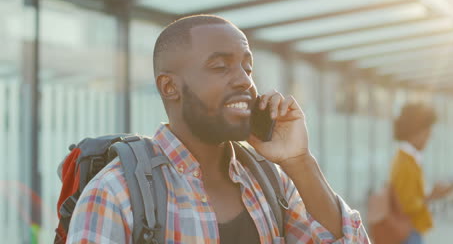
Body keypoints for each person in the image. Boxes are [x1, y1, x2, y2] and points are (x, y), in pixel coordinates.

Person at [66, 15, 369, 243]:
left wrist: (300, 163)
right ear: (170, 87)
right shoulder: (115, 192)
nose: (244, 81)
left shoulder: (270, 181)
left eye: (247, 68)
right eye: (220, 66)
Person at [390, 103, 453, 244]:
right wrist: (433, 195)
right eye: (427, 132)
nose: (429, 137)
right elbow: (406, 205)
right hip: (408, 233)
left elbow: (410, 196)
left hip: (411, 231)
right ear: (416, 132)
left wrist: (434, 193)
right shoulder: (405, 162)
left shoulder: (408, 159)